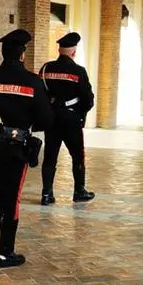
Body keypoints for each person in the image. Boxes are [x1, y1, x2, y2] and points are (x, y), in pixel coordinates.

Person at [0, 29, 53, 268]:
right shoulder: (32, 81)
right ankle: (6, 252)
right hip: (18, 146)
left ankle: (4, 241)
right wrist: (25, 126)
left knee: (4, 191)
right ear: (22, 54)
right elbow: (46, 120)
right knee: (12, 196)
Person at [37, 32, 96, 205]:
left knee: (50, 157)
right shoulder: (78, 71)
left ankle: (47, 194)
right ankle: (79, 191)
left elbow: (40, 94)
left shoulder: (46, 69)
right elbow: (88, 100)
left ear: (59, 50)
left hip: (51, 119)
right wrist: (79, 115)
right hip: (71, 119)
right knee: (77, 156)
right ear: (73, 52)